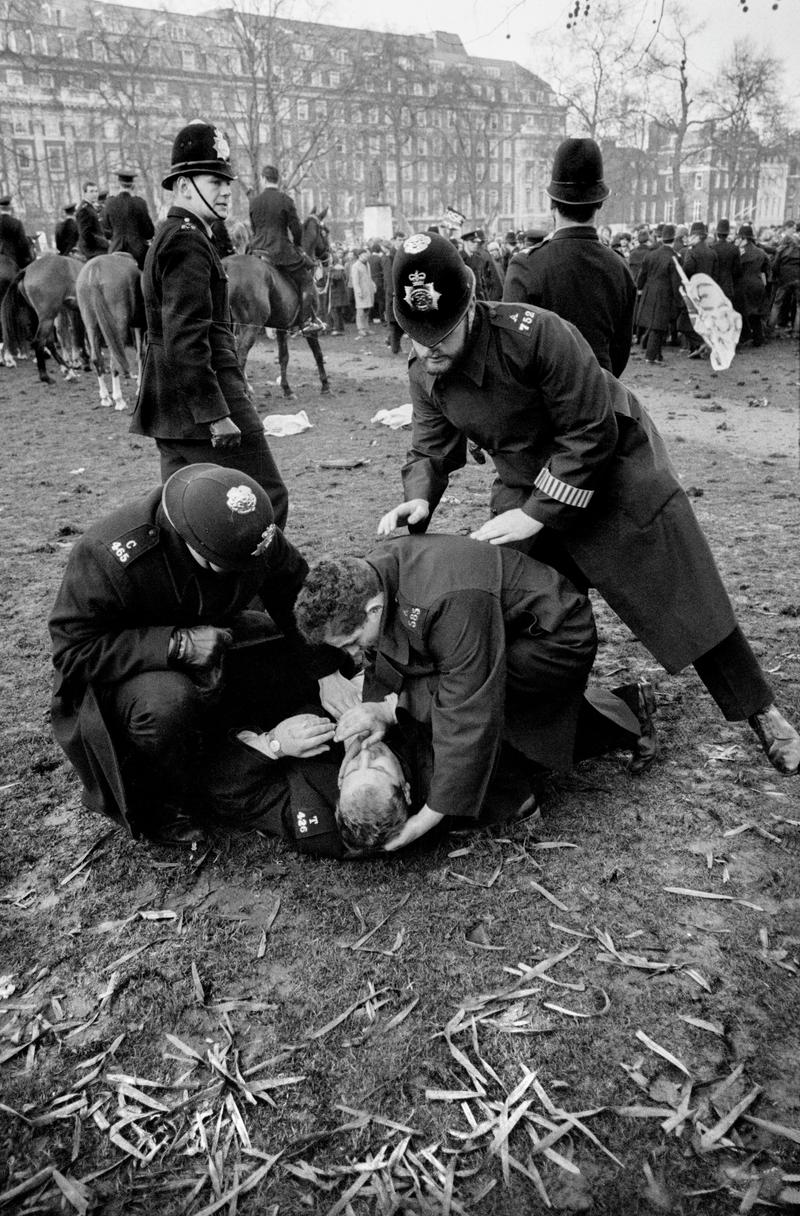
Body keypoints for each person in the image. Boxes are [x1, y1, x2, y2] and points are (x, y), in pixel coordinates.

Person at [376, 233, 799, 777]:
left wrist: (535, 512)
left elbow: (589, 431)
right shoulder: (425, 372)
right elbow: (429, 449)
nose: (429, 347)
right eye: (416, 336)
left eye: (442, 331)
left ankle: (762, 711)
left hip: (612, 467)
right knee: (518, 617)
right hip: (523, 481)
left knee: (681, 593)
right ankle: (615, 717)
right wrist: (417, 500)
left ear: (471, 305)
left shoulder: (537, 335)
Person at [48, 464, 356, 842]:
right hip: (133, 672)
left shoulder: (251, 529)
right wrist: (176, 645)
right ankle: (165, 801)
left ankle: (232, 745)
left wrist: (327, 673)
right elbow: (74, 651)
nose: (245, 571)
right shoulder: (109, 556)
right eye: (226, 565)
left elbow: (293, 594)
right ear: (189, 540)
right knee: (166, 704)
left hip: (217, 633)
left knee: (287, 648)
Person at [294, 536, 656, 851]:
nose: (354, 654)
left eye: (353, 642)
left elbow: (466, 705)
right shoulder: (371, 579)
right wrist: (375, 709)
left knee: (473, 714)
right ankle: (625, 709)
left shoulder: (448, 600)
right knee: (429, 714)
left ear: (373, 610)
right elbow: (390, 654)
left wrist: (429, 816)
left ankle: (510, 795)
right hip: (496, 634)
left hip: (551, 641)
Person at [130, 120, 289, 528]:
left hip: (168, 403)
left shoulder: (172, 234)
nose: (225, 190)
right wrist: (216, 413)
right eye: (213, 180)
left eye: (227, 181)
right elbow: (186, 338)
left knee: (186, 517)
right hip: (205, 401)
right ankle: (254, 595)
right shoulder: (187, 240)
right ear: (183, 186)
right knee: (266, 500)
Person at [503, 139, 636, 377]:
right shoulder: (619, 267)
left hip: (542, 405)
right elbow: (620, 353)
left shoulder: (527, 265)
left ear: (552, 204)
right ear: (600, 204)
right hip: (600, 398)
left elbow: (512, 351)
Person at [249, 164, 320, 334]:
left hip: (257, 250)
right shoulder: (286, 200)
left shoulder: (254, 201)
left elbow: (254, 228)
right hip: (280, 251)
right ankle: (306, 321)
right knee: (307, 281)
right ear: (278, 180)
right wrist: (297, 245)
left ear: (263, 179)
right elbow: (296, 229)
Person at [635, 221, 680, 365]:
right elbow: (675, 283)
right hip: (664, 295)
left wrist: (640, 289)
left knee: (654, 325)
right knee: (658, 327)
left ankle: (657, 354)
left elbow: (642, 275)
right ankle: (650, 356)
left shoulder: (651, 255)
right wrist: (679, 300)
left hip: (649, 292)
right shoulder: (674, 257)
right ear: (674, 239)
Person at [678, 221, 719, 357]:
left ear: (696, 236)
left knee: (683, 323)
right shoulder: (712, 253)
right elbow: (715, 273)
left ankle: (702, 343)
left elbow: (686, 271)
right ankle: (697, 349)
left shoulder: (692, 253)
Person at [103, 170, 155, 269]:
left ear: (118, 184)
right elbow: (149, 232)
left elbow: (106, 230)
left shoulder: (109, 203)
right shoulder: (140, 203)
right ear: (132, 185)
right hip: (138, 251)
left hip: (115, 249)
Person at [735, 224, 770, 348]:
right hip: (758, 283)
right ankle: (758, 339)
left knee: (741, 312)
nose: (737, 240)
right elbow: (767, 268)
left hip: (744, 285)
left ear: (744, 238)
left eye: (738, 238)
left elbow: (736, 269)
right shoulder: (761, 251)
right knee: (756, 313)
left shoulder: (740, 252)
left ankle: (742, 338)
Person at [461, 229, 504, 301]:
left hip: (479, 299)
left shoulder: (478, 259)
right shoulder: (459, 259)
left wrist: (487, 301)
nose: (476, 244)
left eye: (477, 242)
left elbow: (482, 283)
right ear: (465, 242)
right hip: (466, 299)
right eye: (472, 241)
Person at [75, 181, 110, 260]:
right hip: (91, 249)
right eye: (91, 191)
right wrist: (104, 243)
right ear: (85, 193)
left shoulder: (90, 208)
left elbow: (97, 230)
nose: (95, 194)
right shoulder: (84, 210)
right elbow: (86, 234)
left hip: (96, 247)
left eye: (96, 191)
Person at [713, 219, 741, 305]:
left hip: (714, 287)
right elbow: (737, 271)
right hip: (728, 287)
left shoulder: (711, 248)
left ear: (717, 233)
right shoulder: (734, 249)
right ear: (727, 233)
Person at [0, 195, 33, 267]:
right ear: (10, 208)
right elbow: (23, 243)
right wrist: (28, 257)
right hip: (12, 258)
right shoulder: (16, 223)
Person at [350, 248, 376, 338]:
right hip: (361, 291)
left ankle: (366, 328)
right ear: (359, 256)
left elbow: (369, 276)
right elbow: (355, 281)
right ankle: (361, 329)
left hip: (368, 290)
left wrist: (373, 285)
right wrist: (358, 291)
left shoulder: (367, 264)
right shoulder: (355, 266)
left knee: (367, 310)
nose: (366, 256)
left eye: (366, 255)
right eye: (364, 255)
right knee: (360, 311)